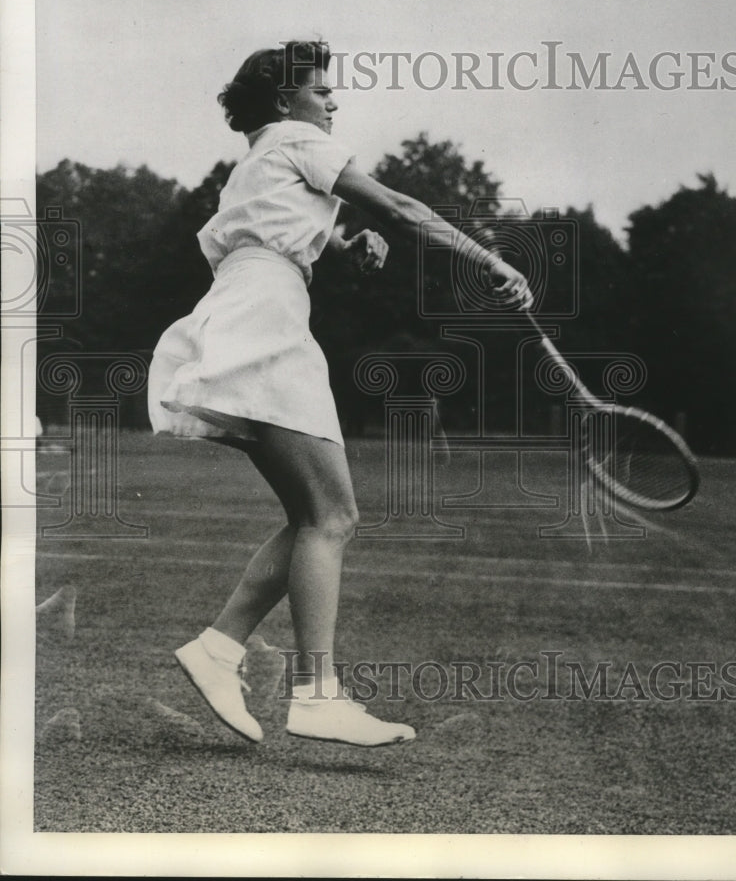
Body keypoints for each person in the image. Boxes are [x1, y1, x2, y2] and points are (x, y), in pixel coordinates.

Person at [148, 41, 532, 747]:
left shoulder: (258, 162)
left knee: (311, 515)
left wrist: (343, 247)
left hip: (253, 311)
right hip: (263, 324)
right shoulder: (298, 138)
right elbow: (402, 207)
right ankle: (315, 694)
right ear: (284, 100)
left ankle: (219, 648)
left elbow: (270, 243)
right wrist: (489, 259)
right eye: (321, 91)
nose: (332, 102)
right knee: (333, 516)